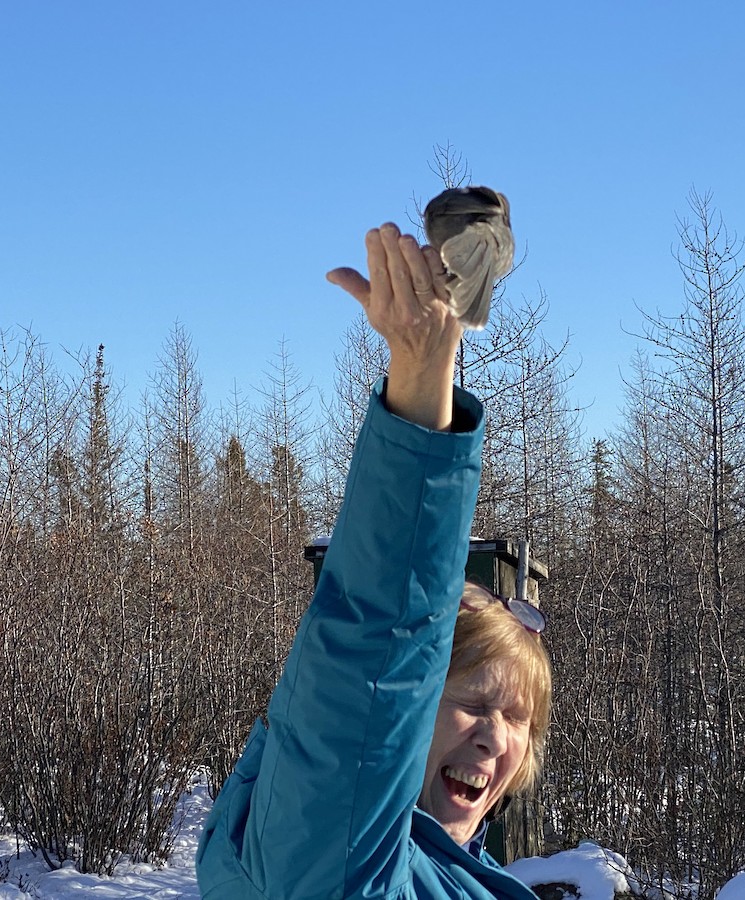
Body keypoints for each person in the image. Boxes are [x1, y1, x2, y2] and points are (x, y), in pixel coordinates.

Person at [195, 221, 552, 900]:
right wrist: (422, 381)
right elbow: (372, 667)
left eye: (517, 720)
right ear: (411, 709)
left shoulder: (460, 877)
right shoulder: (333, 863)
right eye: (474, 704)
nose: (494, 740)